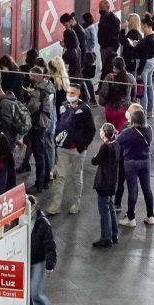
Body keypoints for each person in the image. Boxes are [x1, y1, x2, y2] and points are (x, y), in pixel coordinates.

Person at [44, 83, 96, 215]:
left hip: (77, 150)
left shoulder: (85, 110)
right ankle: (55, 205)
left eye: (73, 93)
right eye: (68, 92)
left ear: (79, 94)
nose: (69, 95)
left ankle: (76, 203)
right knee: (60, 177)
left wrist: (83, 146)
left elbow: (91, 130)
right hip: (62, 149)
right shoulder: (63, 106)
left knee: (76, 176)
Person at [117, 108, 154, 227]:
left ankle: (131, 218)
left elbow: (118, 141)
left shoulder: (128, 132)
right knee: (147, 189)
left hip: (131, 162)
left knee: (132, 190)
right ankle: (150, 216)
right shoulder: (149, 129)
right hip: (145, 161)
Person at [91, 123, 121, 248]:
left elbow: (95, 161)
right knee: (111, 207)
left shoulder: (105, 147)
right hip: (112, 181)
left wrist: (95, 156)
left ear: (105, 133)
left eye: (101, 130)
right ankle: (114, 234)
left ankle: (106, 237)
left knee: (104, 211)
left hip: (103, 181)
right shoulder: (116, 144)